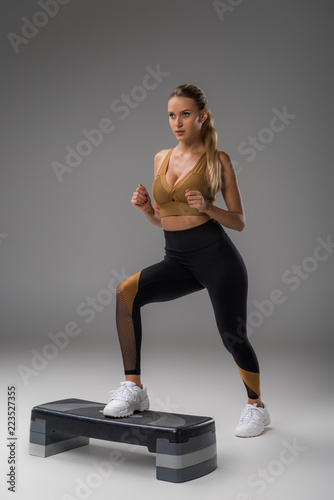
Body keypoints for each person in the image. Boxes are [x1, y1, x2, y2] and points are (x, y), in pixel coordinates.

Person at [103, 84, 271, 437]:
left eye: (185, 114)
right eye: (171, 115)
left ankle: (257, 407)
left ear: (201, 116)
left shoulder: (218, 160)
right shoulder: (161, 157)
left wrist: (209, 208)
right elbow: (163, 219)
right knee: (124, 294)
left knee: (232, 336)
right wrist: (148, 210)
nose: (177, 122)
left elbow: (239, 221)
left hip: (216, 258)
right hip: (177, 259)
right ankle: (134, 389)